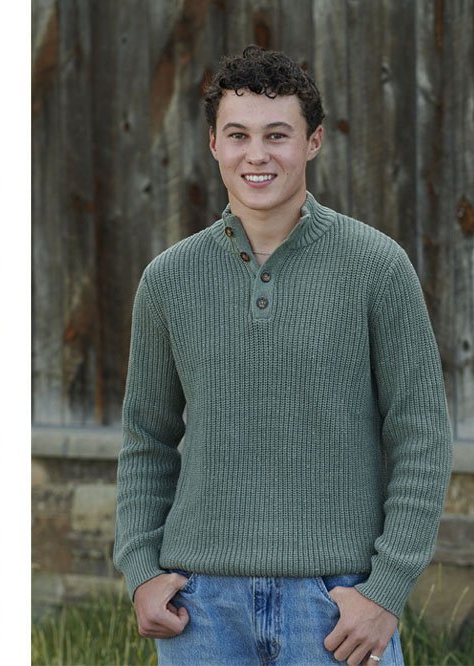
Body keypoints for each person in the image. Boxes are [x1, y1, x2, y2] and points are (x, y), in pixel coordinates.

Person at [113, 46, 452, 666]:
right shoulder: (168, 280)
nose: (257, 154)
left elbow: (422, 436)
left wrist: (386, 590)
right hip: (202, 613)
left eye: (278, 135)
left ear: (313, 141)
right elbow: (147, 438)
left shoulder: (377, 267)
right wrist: (140, 567)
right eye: (238, 135)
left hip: (337, 611)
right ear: (214, 144)